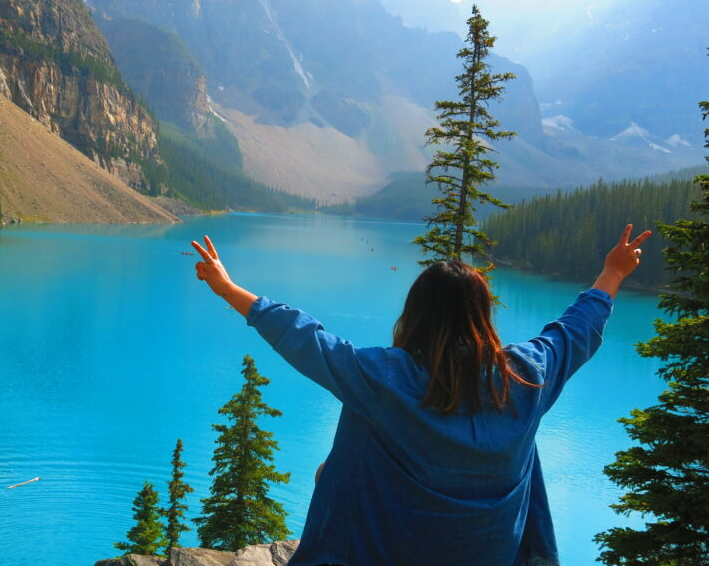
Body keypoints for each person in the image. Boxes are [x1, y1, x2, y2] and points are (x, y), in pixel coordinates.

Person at [191, 225, 651, 566]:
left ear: (417, 313)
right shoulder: (526, 375)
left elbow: (306, 339)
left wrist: (227, 288)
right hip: (492, 552)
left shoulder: (386, 379)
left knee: (336, 468)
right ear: (482, 315)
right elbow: (574, 332)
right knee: (334, 467)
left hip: (387, 551)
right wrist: (611, 273)